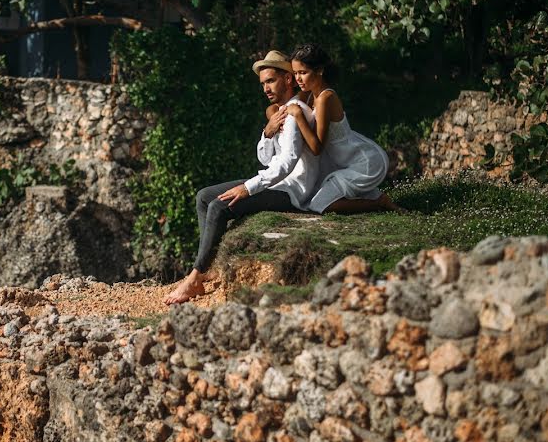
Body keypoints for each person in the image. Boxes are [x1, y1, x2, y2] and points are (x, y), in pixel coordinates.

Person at [164, 51, 320, 305]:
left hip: (293, 191)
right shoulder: (280, 113)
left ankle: (194, 278)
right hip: (278, 181)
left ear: (289, 79)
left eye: (270, 81)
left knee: (219, 205)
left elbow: (288, 164)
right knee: (204, 196)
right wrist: (267, 132)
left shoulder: (294, 113)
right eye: (263, 84)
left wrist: (248, 188)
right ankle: (208, 266)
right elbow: (266, 160)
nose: (266, 88)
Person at [284, 43, 402, 214]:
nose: (298, 79)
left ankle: (379, 202)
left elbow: (317, 148)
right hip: (350, 163)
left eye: (303, 72)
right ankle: (372, 197)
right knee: (315, 201)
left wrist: (298, 115)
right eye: (295, 73)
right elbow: (283, 104)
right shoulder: (312, 94)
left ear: (320, 71)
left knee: (318, 205)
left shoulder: (325, 98)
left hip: (364, 162)